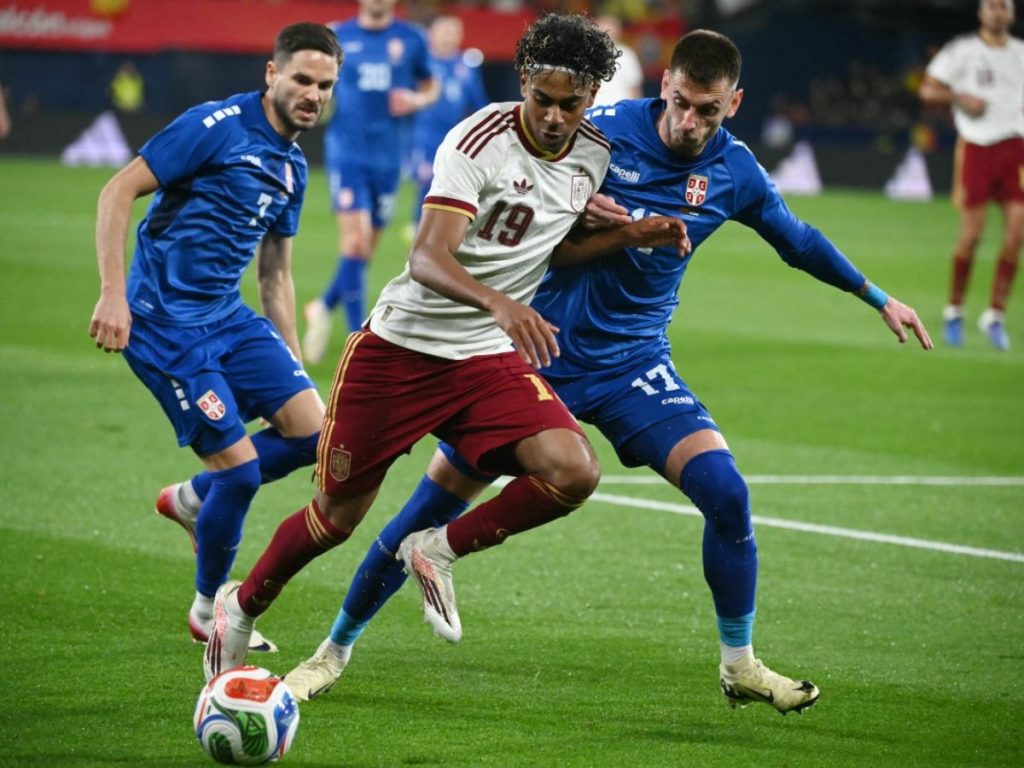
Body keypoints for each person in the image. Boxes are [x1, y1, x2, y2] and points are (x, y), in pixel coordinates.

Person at [282, 29, 933, 715]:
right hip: (536, 355)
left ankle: (739, 664)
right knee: (432, 501)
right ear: (665, 87)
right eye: (681, 103)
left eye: (707, 111)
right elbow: (519, 206)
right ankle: (331, 653)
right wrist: (584, 217)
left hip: (633, 362)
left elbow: (796, 239)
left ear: (732, 104)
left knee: (727, 494)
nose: (690, 122)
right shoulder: (600, 136)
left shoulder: (737, 172)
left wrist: (878, 297)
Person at [202, 12, 687, 681]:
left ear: (592, 96)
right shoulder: (479, 138)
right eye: (540, 99)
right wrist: (501, 302)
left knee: (574, 470)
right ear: (522, 81)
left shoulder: (593, 156)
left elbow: (556, 246)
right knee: (336, 520)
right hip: (399, 353)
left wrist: (628, 237)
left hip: (483, 360)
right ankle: (242, 606)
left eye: (568, 105)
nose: (551, 116)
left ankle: (436, 547)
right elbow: (428, 257)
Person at [89, 23, 343, 653]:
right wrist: (114, 294)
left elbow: (276, 274)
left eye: (325, 85)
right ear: (271, 74)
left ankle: (193, 499)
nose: (313, 94)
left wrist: (294, 365)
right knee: (242, 475)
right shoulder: (214, 126)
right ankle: (209, 608)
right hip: (164, 325)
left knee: (319, 433)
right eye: (303, 79)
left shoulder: (292, 166)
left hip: (227, 317)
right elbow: (117, 190)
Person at [302, 0, 440, 364]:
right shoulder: (338, 35)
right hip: (347, 153)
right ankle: (356, 342)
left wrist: (416, 99)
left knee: (363, 252)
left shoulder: (411, 38)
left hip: (390, 158)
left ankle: (323, 305)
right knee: (356, 243)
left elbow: (431, 86)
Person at [919, 0, 1024, 350]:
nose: (997, 12)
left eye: (1003, 6)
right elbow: (927, 89)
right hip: (978, 148)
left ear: (1011, 13)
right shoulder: (962, 50)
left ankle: (995, 315)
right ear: (981, 13)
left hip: (1016, 150)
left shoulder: (1021, 53)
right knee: (972, 235)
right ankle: (955, 310)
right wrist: (959, 98)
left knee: (1015, 235)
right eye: (991, 6)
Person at [406, 14, 489, 239]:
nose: (448, 36)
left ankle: (439, 228)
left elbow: (478, 103)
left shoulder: (466, 65)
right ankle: (418, 228)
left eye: (453, 31)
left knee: (450, 182)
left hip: (454, 136)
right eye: (444, 30)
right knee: (428, 179)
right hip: (422, 134)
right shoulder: (422, 63)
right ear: (431, 34)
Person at [592, 14, 644, 108]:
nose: (607, 33)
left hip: (619, 112)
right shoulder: (586, 55)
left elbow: (634, 88)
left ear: (618, 32)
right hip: (591, 113)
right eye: (603, 28)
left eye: (610, 29)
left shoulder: (627, 55)